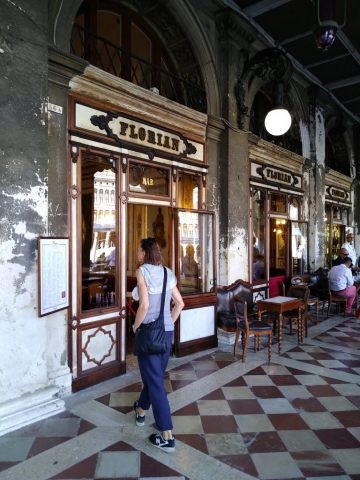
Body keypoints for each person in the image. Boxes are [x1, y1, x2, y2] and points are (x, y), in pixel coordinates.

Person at [131, 237, 184, 453]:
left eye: (138, 250)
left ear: (144, 253)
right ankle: (142, 411)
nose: (137, 253)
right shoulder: (167, 272)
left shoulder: (141, 271)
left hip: (150, 332)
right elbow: (180, 303)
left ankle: (167, 435)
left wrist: (135, 327)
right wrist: (168, 321)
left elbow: (143, 306)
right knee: (154, 377)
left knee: (155, 383)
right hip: (167, 331)